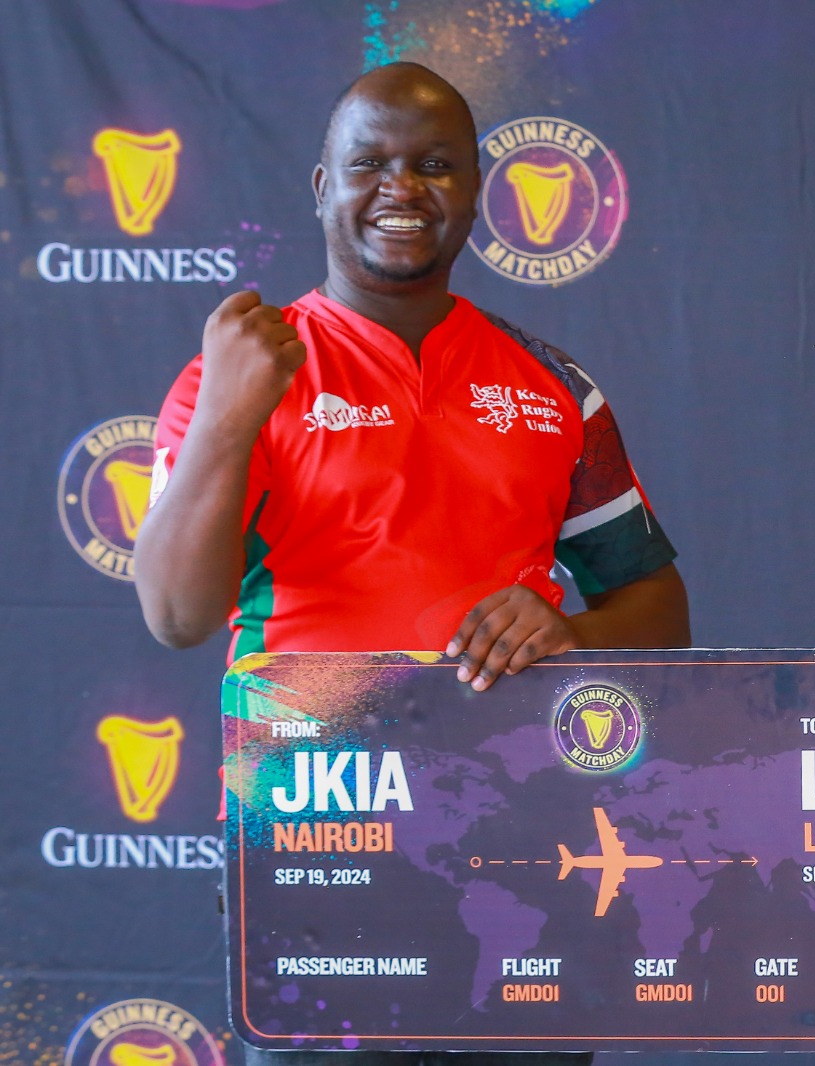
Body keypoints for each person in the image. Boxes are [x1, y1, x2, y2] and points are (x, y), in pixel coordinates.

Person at [134, 62, 689, 1064]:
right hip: (313, 842)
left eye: (435, 165)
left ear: (477, 191)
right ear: (322, 187)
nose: (402, 189)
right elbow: (175, 613)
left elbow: (657, 605)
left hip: (524, 844)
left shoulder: (552, 386)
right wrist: (225, 418)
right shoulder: (244, 374)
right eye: (370, 164)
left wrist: (574, 631)